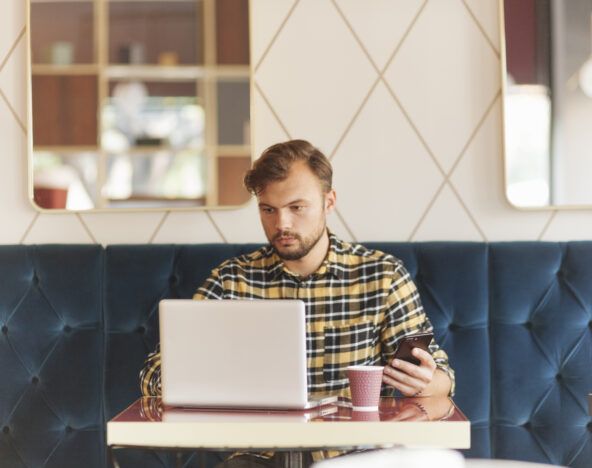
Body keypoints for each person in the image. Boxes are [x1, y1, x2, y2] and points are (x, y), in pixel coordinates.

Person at [140, 139, 455, 467]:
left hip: (356, 455)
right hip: (257, 457)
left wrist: (427, 381)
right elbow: (153, 374)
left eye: (296, 207)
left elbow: (443, 377)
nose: (282, 225)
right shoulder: (232, 280)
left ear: (328, 202)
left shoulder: (383, 276)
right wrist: (193, 377)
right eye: (268, 210)